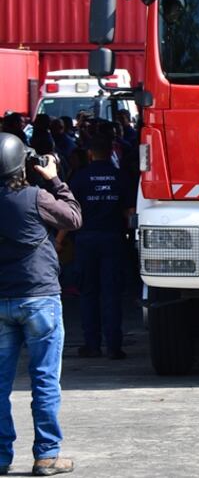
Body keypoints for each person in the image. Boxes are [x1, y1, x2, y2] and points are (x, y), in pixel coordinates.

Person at [0, 132, 81, 476]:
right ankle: (47, 455)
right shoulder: (36, 197)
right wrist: (54, 179)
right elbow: (73, 218)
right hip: (40, 299)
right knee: (45, 380)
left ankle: (1, 456)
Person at [67, 135, 134, 360]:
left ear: (89, 154)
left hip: (86, 240)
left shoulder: (79, 177)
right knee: (112, 294)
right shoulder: (120, 177)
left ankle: (92, 345)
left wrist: (59, 239)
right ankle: (114, 346)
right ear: (111, 152)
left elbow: (70, 212)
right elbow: (130, 212)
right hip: (113, 239)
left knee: (88, 293)